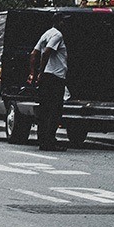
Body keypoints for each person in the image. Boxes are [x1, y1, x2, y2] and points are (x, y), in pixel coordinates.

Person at [29, 15, 68, 151]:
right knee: (55, 110)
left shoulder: (46, 34)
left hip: (47, 77)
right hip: (55, 77)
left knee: (45, 109)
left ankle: (43, 139)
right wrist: (40, 71)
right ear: (58, 22)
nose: (65, 23)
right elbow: (46, 53)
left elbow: (34, 53)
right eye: (63, 21)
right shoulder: (57, 35)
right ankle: (49, 140)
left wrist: (33, 73)